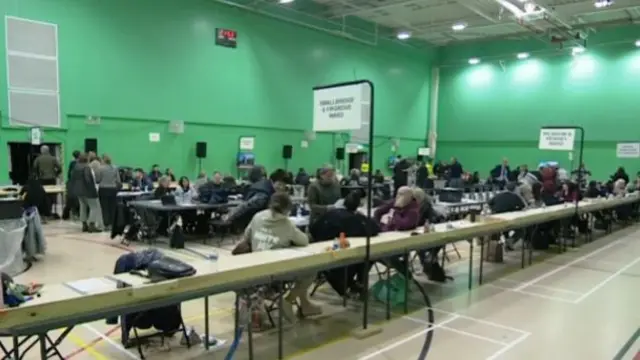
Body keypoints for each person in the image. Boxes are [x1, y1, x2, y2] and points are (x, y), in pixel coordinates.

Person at [243, 191, 321, 321]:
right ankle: (288, 301)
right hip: (275, 271)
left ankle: (305, 305)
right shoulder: (286, 223)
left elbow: (246, 236)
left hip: (255, 265)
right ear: (287, 208)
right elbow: (304, 241)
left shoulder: (257, 216)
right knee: (311, 271)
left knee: (301, 269)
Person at [309, 191, 379, 298]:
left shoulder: (330, 213)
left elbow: (313, 228)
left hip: (321, 251)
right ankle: (358, 283)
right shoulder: (354, 219)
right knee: (368, 257)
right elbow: (374, 229)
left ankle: (352, 284)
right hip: (339, 259)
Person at [69, 153, 103, 232]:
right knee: (94, 207)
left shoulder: (76, 167)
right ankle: (92, 225)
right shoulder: (86, 167)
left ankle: (84, 225)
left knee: (83, 206)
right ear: (87, 159)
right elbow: (88, 180)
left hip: (78, 191)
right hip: (87, 190)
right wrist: (93, 190)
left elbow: (72, 178)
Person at [488, 183, 527, 250]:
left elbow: (489, 203)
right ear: (515, 189)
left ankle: (505, 243)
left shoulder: (498, 195)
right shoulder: (515, 196)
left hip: (497, 220)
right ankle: (510, 241)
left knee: (503, 231)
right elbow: (523, 207)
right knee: (522, 230)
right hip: (510, 220)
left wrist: (493, 210)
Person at [33, 145, 61, 216]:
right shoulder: (53, 158)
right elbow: (59, 168)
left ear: (41, 151)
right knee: (51, 195)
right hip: (52, 179)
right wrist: (56, 174)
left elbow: (34, 168)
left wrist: (38, 175)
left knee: (42, 195)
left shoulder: (38, 159)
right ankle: (50, 210)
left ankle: (43, 211)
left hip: (42, 179)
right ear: (48, 150)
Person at [98, 155, 121, 228]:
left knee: (104, 207)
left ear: (103, 160)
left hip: (103, 188)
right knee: (112, 206)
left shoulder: (101, 168)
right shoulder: (115, 168)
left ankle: (106, 223)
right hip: (113, 189)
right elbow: (118, 180)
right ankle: (113, 223)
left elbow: (98, 179)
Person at [63, 150, 81, 219]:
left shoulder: (72, 163)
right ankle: (77, 212)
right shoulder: (81, 163)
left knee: (71, 199)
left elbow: (68, 174)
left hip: (72, 183)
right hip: (79, 183)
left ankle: (71, 213)